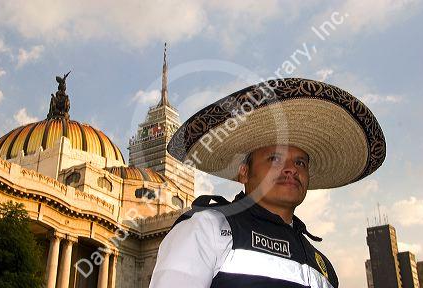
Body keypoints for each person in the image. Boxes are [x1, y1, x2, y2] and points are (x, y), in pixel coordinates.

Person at [149, 78, 386, 288]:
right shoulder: (207, 229)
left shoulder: (322, 265)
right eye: (275, 159)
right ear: (244, 172)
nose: (292, 168)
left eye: (301, 163)